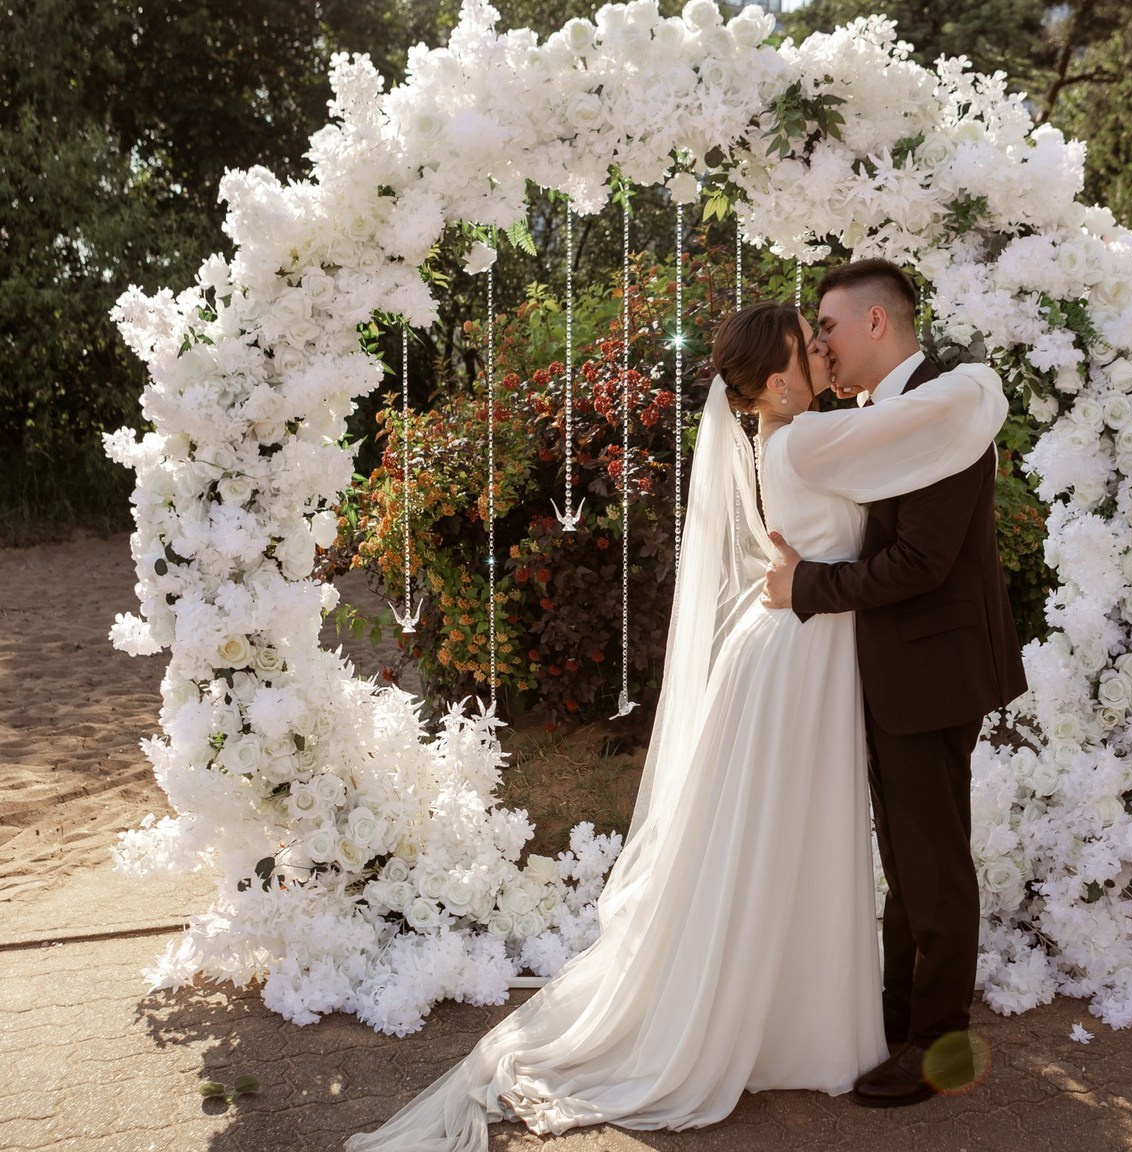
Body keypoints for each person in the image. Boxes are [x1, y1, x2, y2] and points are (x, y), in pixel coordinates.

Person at [346, 299, 1008, 1152]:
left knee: (790, 837)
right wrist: (982, 383)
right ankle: (787, 1015)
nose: (822, 349)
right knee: (783, 835)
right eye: (808, 345)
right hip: (798, 654)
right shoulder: (806, 437)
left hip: (802, 647)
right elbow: (931, 424)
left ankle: (803, 1008)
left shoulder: (795, 431)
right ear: (777, 383)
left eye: (824, 334)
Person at [763, 259, 1028, 1107]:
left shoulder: (942, 409)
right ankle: (898, 1017)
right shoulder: (885, 415)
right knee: (908, 864)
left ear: (875, 322)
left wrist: (806, 587)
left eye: (828, 326)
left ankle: (938, 1045)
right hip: (895, 670)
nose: (822, 345)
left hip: (933, 670)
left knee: (933, 866)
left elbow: (920, 562)